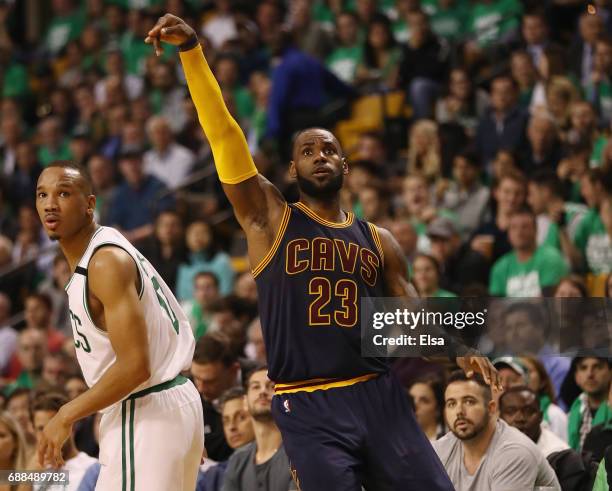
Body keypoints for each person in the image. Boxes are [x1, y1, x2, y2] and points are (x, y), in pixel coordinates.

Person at [147, 13, 501, 490]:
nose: (320, 155)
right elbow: (225, 136)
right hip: (307, 401)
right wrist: (193, 53)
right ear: (292, 169)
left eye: (329, 150)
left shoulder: (380, 240)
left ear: (345, 165)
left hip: (378, 394)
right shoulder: (270, 218)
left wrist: (457, 347)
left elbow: (410, 313)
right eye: (309, 151)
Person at [34, 161, 203, 490]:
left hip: (145, 410)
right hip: (166, 406)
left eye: (63, 193)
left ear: (89, 204)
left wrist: (66, 414)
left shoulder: (104, 263)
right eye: (42, 194)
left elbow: (135, 367)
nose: (50, 204)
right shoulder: (106, 245)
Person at [433, 371, 561, 490]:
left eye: (469, 402)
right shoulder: (441, 450)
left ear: (491, 408)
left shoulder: (515, 452)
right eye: (451, 404)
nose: (459, 411)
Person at [222, 366, 295, 491]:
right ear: (245, 401)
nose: (263, 391)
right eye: (256, 386)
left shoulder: (298, 454)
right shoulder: (237, 460)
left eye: (271, 386)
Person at [31, 392, 99, 490]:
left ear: (72, 426)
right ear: (33, 431)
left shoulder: (93, 468)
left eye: (53, 427)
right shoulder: (34, 470)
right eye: (41, 428)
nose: (47, 435)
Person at [568, 357, 612, 451]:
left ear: (610, 372)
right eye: (583, 368)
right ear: (577, 377)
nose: (590, 374)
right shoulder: (572, 413)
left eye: (598, 367)